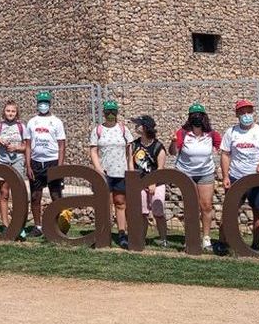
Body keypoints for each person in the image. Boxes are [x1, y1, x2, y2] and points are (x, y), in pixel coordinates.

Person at [219, 99, 259, 253]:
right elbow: (225, 154)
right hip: (236, 177)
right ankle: (223, 243)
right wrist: (225, 177)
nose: (246, 115)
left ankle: (256, 245)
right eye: (242, 112)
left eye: (249, 112)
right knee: (229, 212)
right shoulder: (231, 132)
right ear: (237, 114)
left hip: (258, 179)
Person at [169, 103, 221, 251]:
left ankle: (206, 238)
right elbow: (172, 152)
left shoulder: (211, 134)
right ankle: (190, 237)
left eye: (199, 115)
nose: (197, 118)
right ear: (189, 118)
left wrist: (216, 160)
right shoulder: (183, 133)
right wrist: (173, 142)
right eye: (194, 115)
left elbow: (221, 148)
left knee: (206, 205)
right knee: (190, 206)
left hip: (205, 172)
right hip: (186, 174)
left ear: (204, 117)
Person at [89, 100, 135, 248]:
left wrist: (130, 169)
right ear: (104, 113)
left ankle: (122, 233)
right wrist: (98, 168)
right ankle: (104, 232)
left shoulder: (123, 129)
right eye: (108, 112)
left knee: (120, 203)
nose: (110, 114)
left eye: (113, 112)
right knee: (105, 204)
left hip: (120, 172)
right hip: (105, 172)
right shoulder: (98, 130)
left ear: (116, 113)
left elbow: (129, 151)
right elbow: (93, 151)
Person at [24, 91, 66, 237]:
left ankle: (57, 226)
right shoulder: (31, 122)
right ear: (37, 104)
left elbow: (61, 145)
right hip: (36, 163)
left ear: (50, 104)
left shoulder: (56, 122)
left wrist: (59, 167)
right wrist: (28, 165)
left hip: (52, 162)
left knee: (56, 195)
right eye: (41, 102)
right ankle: (38, 226)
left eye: (46, 102)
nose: (43, 105)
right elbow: (28, 145)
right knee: (35, 196)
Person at [0, 100, 29, 229]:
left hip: (17, 160)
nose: (10, 113)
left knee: (18, 192)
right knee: (4, 192)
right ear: (4, 112)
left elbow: (27, 147)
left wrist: (16, 148)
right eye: (8, 111)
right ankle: (5, 224)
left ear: (17, 113)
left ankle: (18, 223)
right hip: (2, 160)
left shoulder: (22, 127)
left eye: (13, 111)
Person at [130, 114, 168, 247]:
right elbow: (130, 165)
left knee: (158, 212)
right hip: (140, 184)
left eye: (138, 124)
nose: (135, 126)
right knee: (142, 213)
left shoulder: (158, 147)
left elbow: (160, 168)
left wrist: (152, 183)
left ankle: (163, 239)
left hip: (156, 184)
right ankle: (141, 238)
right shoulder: (133, 145)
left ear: (146, 127)